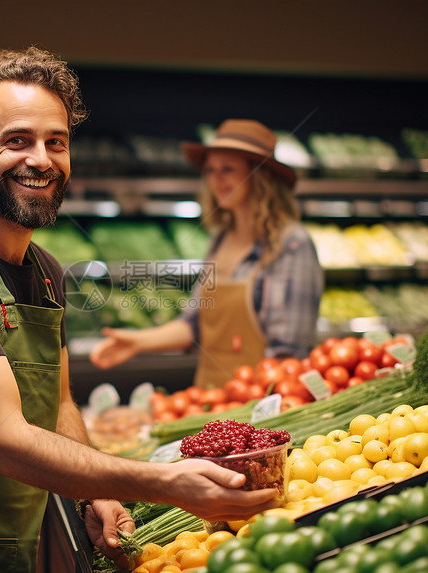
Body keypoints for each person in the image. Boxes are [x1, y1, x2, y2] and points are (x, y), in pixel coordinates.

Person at [0, 47, 280, 573]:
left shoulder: (46, 273)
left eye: (55, 142)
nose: (41, 159)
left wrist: (94, 495)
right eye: (17, 141)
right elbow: (9, 442)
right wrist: (167, 482)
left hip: (10, 544)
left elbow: (58, 405)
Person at [90, 119, 324, 389]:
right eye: (210, 170)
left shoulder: (291, 243)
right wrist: (137, 342)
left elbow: (288, 354)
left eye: (228, 168)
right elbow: (194, 324)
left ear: (259, 176)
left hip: (262, 405)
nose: (216, 179)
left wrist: (254, 405)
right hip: (212, 395)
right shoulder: (221, 238)